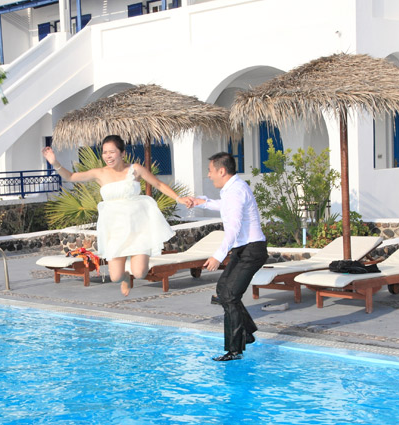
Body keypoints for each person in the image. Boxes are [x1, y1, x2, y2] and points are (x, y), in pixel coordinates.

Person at [42, 135, 192, 296]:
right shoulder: (99, 173)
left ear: (122, 153)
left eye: (112, 152)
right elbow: (71, 177)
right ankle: (126, 277)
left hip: (138, 226)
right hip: (114, 229)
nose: (108, 156)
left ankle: (134, 269)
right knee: (115, 276)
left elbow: (158, 184)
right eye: (105, 152)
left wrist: (179, 198)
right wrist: (54, 163)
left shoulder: (135, 169)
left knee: (140, 272)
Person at [189, 152, 268, 361]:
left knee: (231, 296)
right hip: (244, 249)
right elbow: (223, 206)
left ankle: (235, 350)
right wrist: (201, 202)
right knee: (223, 290)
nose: (209, 175)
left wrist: (218, 256)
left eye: (210, 171)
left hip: (251, 250)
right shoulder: (232, 189)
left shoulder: (235, 192)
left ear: (221, 171)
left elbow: (232, 229)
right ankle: (247, 332)